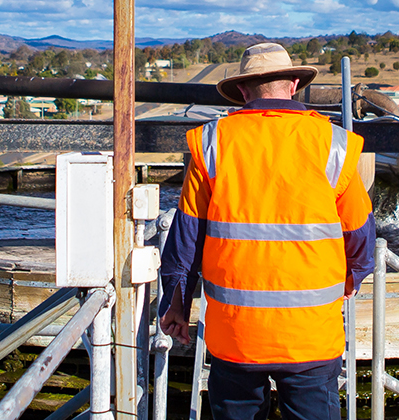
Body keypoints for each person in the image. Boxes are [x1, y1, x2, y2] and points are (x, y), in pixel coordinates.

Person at [157, 43, 377, 420]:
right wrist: (353, 276)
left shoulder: (213, 143)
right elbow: (360, 236)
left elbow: (186, 239)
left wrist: (176, 304)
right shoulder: (333, 144)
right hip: (310, 338)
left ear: (242, 90)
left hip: (236, 338)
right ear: (293, 84)